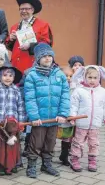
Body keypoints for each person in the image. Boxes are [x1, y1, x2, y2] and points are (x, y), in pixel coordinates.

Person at [24, 43, 70, 178]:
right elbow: (30, 98)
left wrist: (62, 114)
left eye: (50, 55)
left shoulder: (59, 75)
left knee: (50, 142)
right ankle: (31, 165)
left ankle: (47, 164)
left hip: (54, 118)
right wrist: (34, 117)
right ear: (38, 58)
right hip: (40, 118)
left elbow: (65, 96)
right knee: (36, 143)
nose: (47, 58)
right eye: (44, 56)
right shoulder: (32, 75)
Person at [69, 65, 105, 172]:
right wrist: (72, 117)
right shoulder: (79, 91)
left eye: (95, 78)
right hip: (81, 123)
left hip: (95, 124)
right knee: (78, 142)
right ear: (84, 77)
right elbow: (73, 105)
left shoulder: (103, 92)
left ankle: (92, 160)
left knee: (94, 143)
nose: (92, 80)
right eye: (90, 77)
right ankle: (74, 159)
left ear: (99, 78)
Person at [0, 64, 26, 175]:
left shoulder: (16, 91)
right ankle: (1, 165)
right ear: (0, 77)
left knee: (13, 145)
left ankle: (12, 164)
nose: (8, 78)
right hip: (0, 124)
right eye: (5, 75)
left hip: (13, 124)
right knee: (1, 146)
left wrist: (21, 122)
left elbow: (20, 107)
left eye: (10, 75)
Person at [5, 0, 53, 73]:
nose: (24, 11)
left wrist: (30, 46)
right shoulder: (14, 27)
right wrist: (11, 39)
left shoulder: (43, 25)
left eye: (26, 9)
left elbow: (46, 44)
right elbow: (11, 47)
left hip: (32, 63)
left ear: (32, 10)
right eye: (21, 9)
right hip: (16, 64)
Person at [58, 66, 76, 166]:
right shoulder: (57, 87)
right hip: (58, 116)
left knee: (67, 137)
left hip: (69, 117)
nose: (68, 78)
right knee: (53, 137)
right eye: (66, 76)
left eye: (70, 76)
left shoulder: (75, 88)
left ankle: (64, 156)